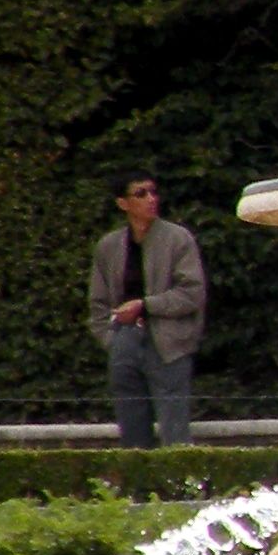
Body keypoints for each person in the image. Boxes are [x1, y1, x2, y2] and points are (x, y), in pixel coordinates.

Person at [89, 172, 208, 450]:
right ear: (123, 203)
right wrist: (112, 339)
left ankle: (176, 488)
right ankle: (137, 491)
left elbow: (192, 293)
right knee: (131, 433)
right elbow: (97, 302)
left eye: (153, 192)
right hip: (125, 342)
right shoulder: (108, 247)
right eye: (140, 194)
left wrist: (146, 305)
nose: (151, 199)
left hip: (168, 345)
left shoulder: (178, 239)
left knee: (174, 432)